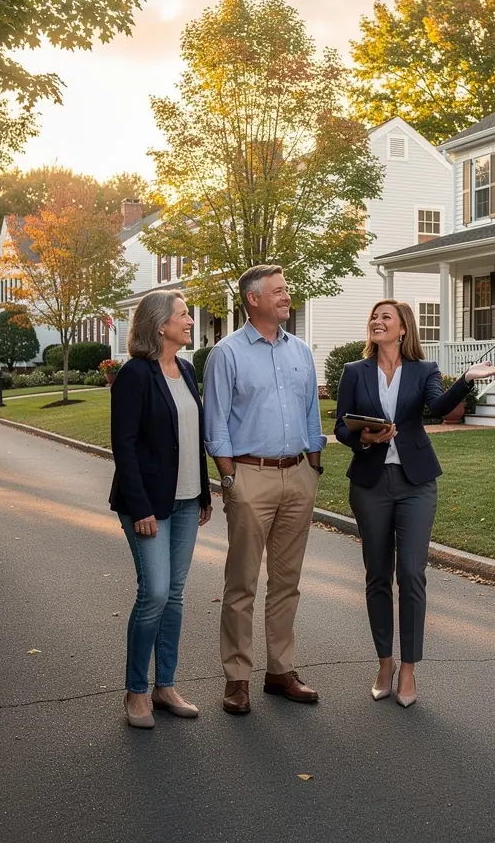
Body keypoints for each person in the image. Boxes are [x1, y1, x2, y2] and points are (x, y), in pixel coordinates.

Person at [333, 300, 495, 708]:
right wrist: (366, 439)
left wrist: (466, 378)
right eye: (373, 316)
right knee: (377, 575)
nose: (376, 321)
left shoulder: (423, 370)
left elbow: (439, 408)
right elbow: (340, 426)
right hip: (370, 485)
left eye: (385, 317)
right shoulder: (355, 372)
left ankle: (409, 667)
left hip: (415, 484)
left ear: (403, 329)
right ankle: (384, 662)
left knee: (410, 574)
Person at [203, 264, 326, 715]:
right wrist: (230, 477)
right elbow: (215, 422)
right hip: (249, 476)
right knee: (242, 583)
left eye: (287, 290)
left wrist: (313, 466)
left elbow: (312, 412)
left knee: (287, 581)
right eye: (277, 291)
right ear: (253, 299)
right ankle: (237, 677)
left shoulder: (301, 351)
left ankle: (281, 670)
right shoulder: (227, 353)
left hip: (298, 475)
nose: (286, 296)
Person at [109, 290, 212, 729]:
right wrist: (140, 506)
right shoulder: (135, 374)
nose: (190, 321)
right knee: (153, 592)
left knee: (174, 594)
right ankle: (136, 692)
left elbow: (192, 436)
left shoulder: (186, 370)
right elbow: (124, 446)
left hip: (188, 500)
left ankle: (165, 685)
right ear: (160, 326)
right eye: (184, 315)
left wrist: (204, 492)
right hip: (148, 504)